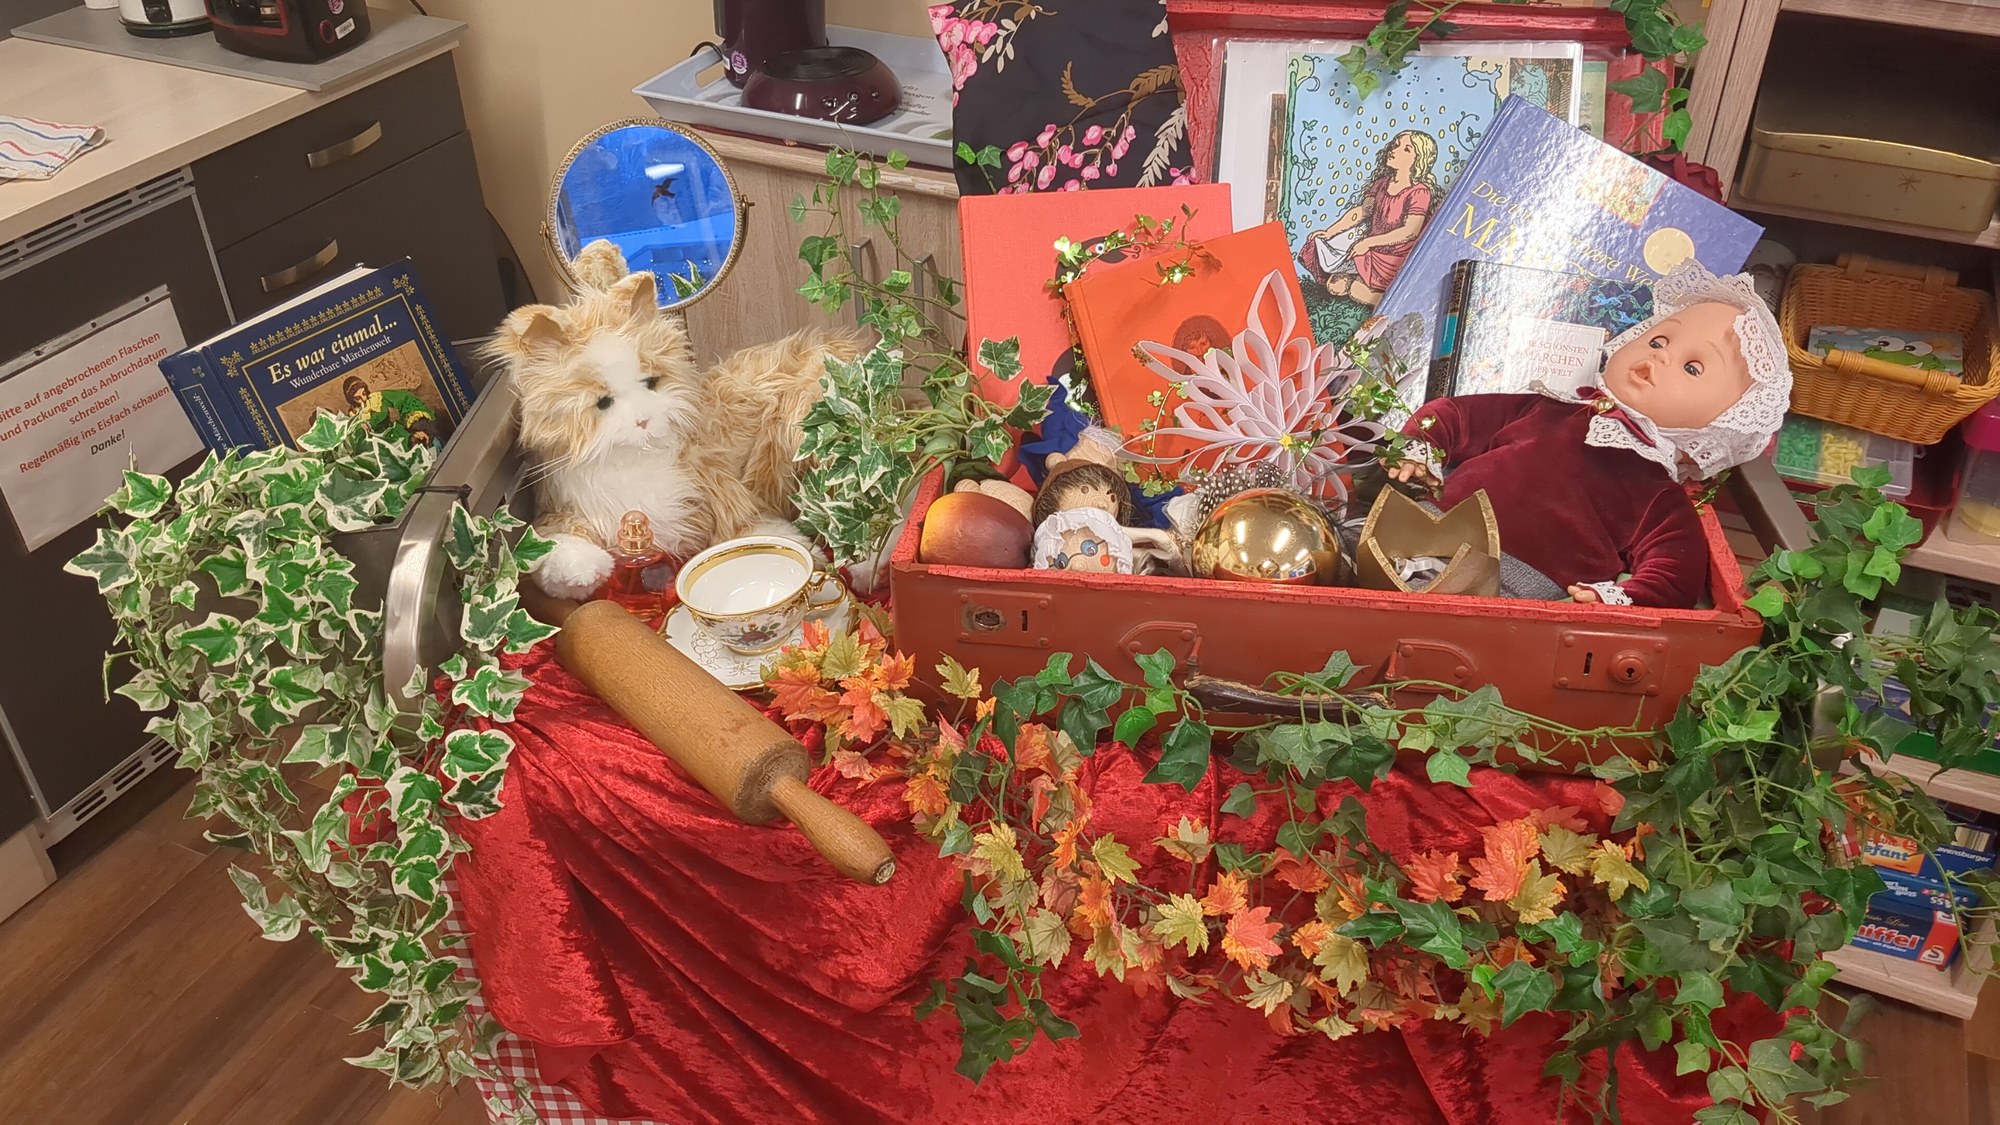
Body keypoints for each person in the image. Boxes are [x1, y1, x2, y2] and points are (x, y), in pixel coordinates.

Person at [1387, 264, 1792, 608]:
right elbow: (1456, 414)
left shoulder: (1656, 491)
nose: (1660, 355)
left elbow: (1675, 574)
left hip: (1520, 583)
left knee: (1472, 621)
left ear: (1724, 425)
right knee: (1365, 544)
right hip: (1432, 524)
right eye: (1658, 339)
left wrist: (1615, 596)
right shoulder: (1550, 408)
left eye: (1692, 368)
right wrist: (1419, 448)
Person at [1300, 130, 1439, 307]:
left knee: (1356, 290)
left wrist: (1368, 243)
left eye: (1406, 149)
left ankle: (1400, 301)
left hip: (1396, 256)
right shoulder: (1382, 183)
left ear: (1418, 160)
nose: (1394, 150)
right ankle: (1363, 280)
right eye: (1395, 145)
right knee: (1334, 286)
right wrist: (1330, 232)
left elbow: (1410, 232)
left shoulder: (1419, 192)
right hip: (1371, 250)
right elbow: (1362, 211)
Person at [343, 375, 440, 446]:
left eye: (364, 393)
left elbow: (404, 398)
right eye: (358, 398)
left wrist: (415, 425)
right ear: (351, 399)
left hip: (395, 435)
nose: (364, 399)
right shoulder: (352, 415)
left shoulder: (376, 398)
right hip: (376, 447)